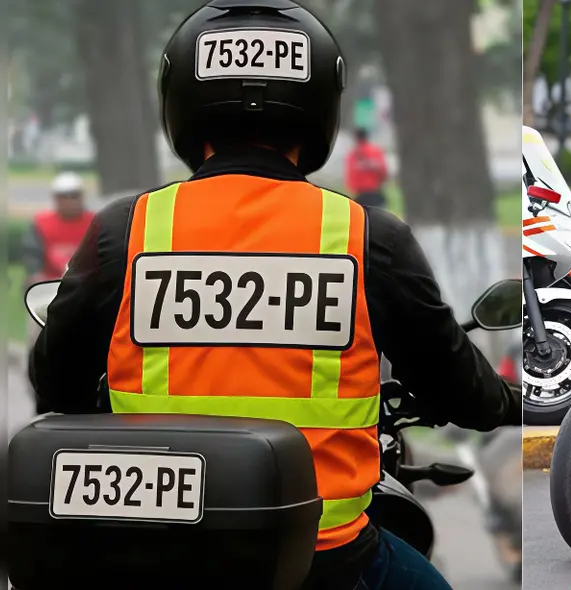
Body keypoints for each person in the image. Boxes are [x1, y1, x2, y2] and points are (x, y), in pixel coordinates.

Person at [27, 1, 519, 589]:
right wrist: (513, 402)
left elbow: (55, 383)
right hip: (324, 558)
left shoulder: (125, 230)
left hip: (158, 549)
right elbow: (459, 389)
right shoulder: (366, 237)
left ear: (181, 102)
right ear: (321, 107)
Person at [22, 171, 94, 413]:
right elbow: (32, 258)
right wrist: (34, 275)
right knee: (36, 341)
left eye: (75, 195)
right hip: (48, 294)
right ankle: (39, 391)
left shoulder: (94, 222)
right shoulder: (42, 224)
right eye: (65, 196)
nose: (70, 200)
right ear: (56, 198)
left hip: (86, 294)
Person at [346, 128, 389, 208]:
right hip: (375, 193)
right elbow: (384, 173)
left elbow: (350, 176)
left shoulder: (352, 154)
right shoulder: (376, 151)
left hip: (360, 195)